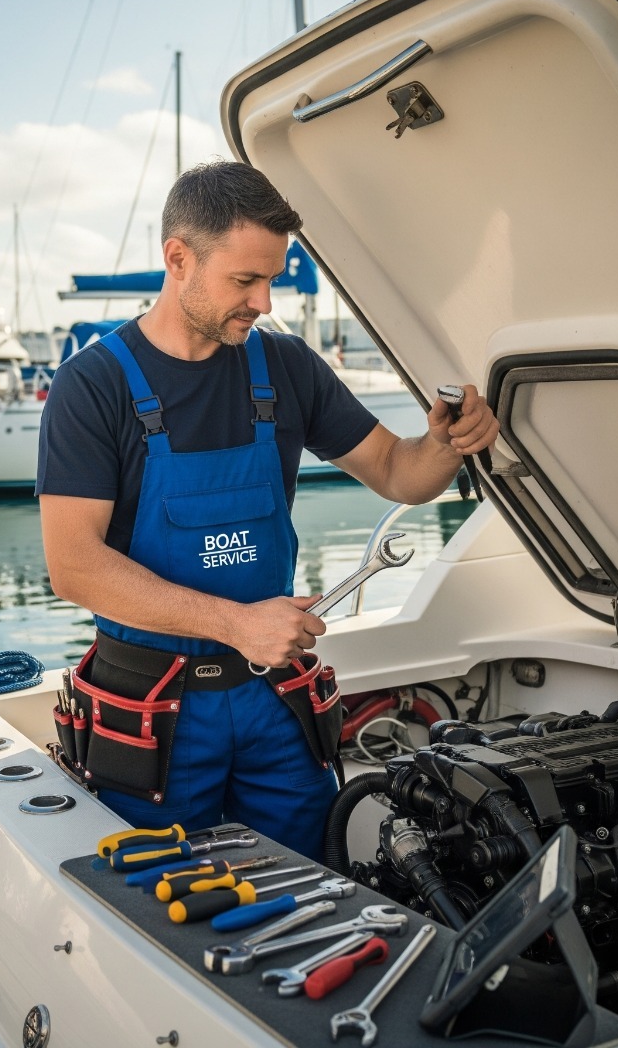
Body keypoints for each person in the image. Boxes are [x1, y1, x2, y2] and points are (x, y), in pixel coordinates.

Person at [36, 160, 499, 859]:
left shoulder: (285, 368)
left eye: (272, 279)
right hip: (153, 712)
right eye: (245, 280)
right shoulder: (91, 387)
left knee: (315, 880)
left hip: (274, 702)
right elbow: (73, 567)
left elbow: (400, 473)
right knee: (158, 911)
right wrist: (236, 623)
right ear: (178, 259)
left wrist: (445, 442)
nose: (265, 301)